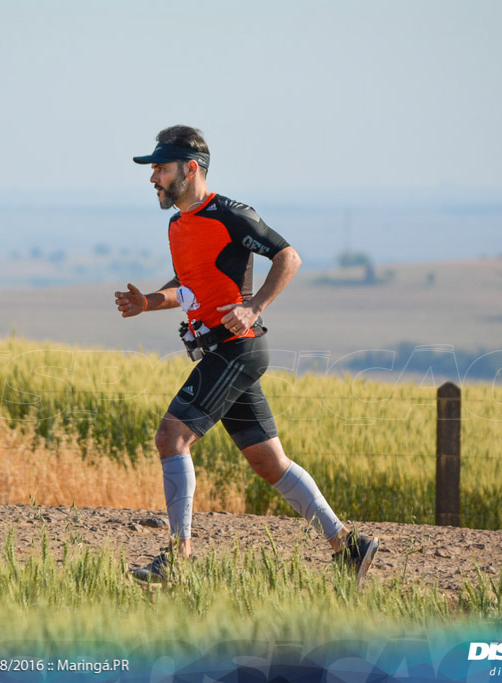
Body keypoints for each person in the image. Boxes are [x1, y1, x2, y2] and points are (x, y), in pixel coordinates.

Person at [115, 125, 379, 586]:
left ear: (190, 168)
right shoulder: (178, 225)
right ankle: (349, 547)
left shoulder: (231, 214)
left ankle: (180, 558)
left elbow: (289, 257)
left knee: (171, 437)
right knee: (268, 463)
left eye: (160, 168)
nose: (152, 178)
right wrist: (147, 303)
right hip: (219, 352)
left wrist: (254, 305)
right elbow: (189, 289)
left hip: (239, 347)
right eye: (153, 169)